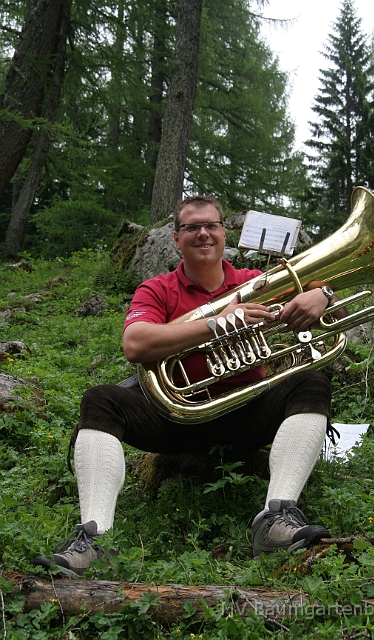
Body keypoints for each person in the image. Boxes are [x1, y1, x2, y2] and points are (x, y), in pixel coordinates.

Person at [33, 194, 344, 576]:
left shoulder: (255, 282)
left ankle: (276, 518)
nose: (203, 234)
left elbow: (331, 299)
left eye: (211, 225)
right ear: (176, 239)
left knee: (311, 381)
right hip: (173, 419)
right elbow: (135, 343)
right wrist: (216, 323)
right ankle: (95, 539)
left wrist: (322, 294)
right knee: (100, 400)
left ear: (223, 234)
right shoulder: (157, 289)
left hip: (245, 414)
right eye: (191, 227)